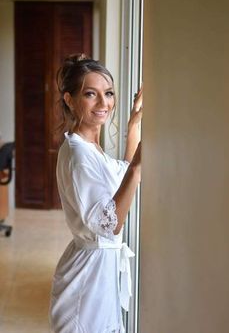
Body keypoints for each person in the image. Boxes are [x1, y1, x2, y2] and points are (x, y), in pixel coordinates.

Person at [49, 53, 142, 333]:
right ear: (69, 99)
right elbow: (109, 224)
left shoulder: (90, 148)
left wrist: (133, 126)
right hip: (87, 280)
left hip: (98, 273)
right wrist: (139, 166)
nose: (104, 103)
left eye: (109, 93)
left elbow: (122, 173)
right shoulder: (79, 155)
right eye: (91, 94)